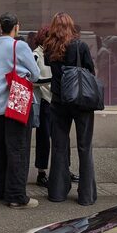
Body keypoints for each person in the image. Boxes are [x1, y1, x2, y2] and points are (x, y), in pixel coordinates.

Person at [0, 13, 40, 208]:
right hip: (13, 101)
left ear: (0, 27)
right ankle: (16, 195)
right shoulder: (19, 46)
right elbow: (35, 74)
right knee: (18, 148)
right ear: (16, 26)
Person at [44, 12, 97, 206]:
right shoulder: (80, 45)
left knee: (59, 147)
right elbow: (90, 70)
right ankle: (86, 195)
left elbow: (50, 66)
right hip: (81, 101)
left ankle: (57, 192)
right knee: (85, 146)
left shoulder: (49, 47)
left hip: (58, 101)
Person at [32, 26, 53, 188]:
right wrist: (51, 80)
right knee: (44, 139)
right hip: (45, 102)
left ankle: (63, 169)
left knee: (61, 139)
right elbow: (32, 80)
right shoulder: (35, 55)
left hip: (56, 101)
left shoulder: (53, 53)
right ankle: (41, 172)